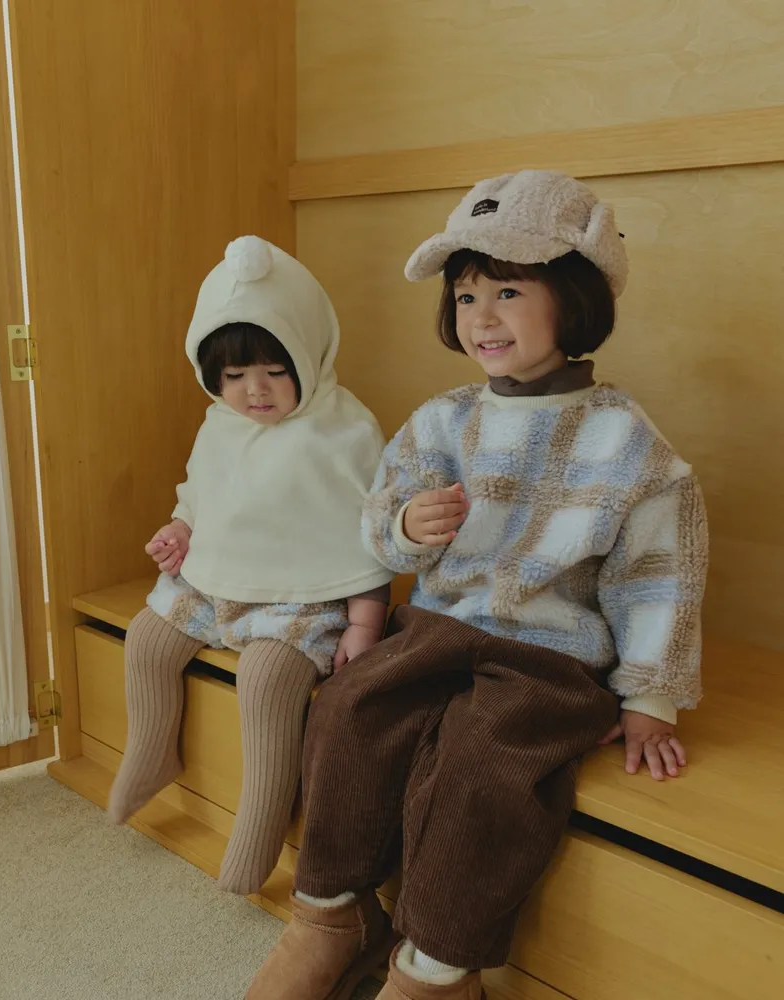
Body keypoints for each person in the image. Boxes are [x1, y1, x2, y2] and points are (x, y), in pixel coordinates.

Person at [246, 171, 709, 999]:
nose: (481, 317)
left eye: (508, 292)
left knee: (482, 766)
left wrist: (649, 696)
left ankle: (437, 969)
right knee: (350, 711)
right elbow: (379, 518)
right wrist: (405, 528)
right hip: (437, 628)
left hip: (548, 656)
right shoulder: (442, 420)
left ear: (575, 299)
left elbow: (658, 573)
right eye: (465, 297)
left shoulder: (625, 442)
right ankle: (330, 915)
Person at [108, 236, 392, 896]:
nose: (253, 391)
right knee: (147, 637)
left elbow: (370, 534)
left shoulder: (345, 431)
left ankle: (261, 821)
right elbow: (201, 494)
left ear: (310, 356)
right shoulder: (221, 424)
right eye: (233, 376)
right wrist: (180, 531)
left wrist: (365, 624)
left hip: (304, 600)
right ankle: (152, 750)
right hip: (216, 582)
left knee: (265, 679)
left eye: (273, 370)